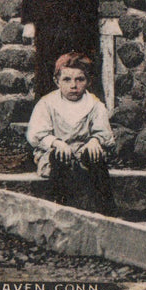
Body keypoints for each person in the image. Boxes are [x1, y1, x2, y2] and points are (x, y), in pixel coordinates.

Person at [26, 52, 117, 215]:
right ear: (57, 81)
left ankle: (105, 211)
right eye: (67, 80)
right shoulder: (47, 104)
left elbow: (104, 133)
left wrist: (95, 140)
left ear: (88, 81)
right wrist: (56, 142)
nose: (73, 86)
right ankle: (59, 208)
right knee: (59, 157)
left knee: (96, 156)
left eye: (80, 79)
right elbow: (37, 134)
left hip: (83, 154)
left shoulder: (94, 105)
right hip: (57, 155)